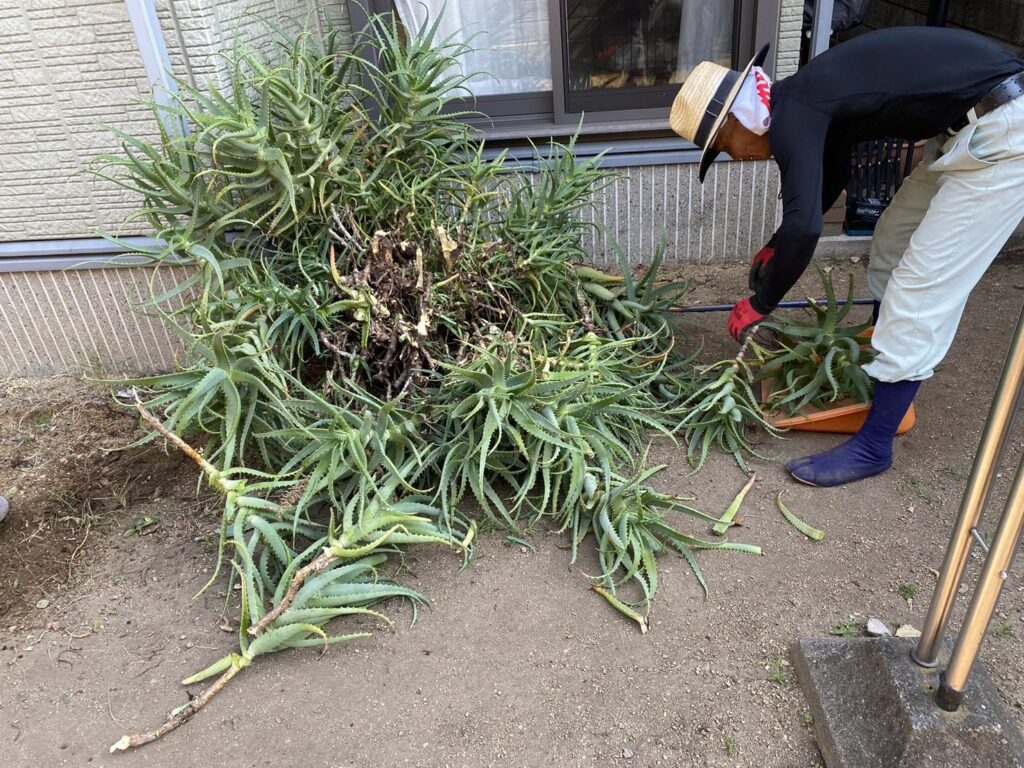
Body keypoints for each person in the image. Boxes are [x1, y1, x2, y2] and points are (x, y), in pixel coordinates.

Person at [668, 27, 1024, 487]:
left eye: (722, 147)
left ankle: (876, 444)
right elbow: (830, 175)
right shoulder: (803, 99)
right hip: (966, 129)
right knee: (892, 241)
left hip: (1005, 135)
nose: (735, 158)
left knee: (921, 288)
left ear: (737, 121)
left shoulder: (796, 113)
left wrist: (763, 302)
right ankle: (886, 368)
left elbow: (807, 227)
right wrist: (777, 244)